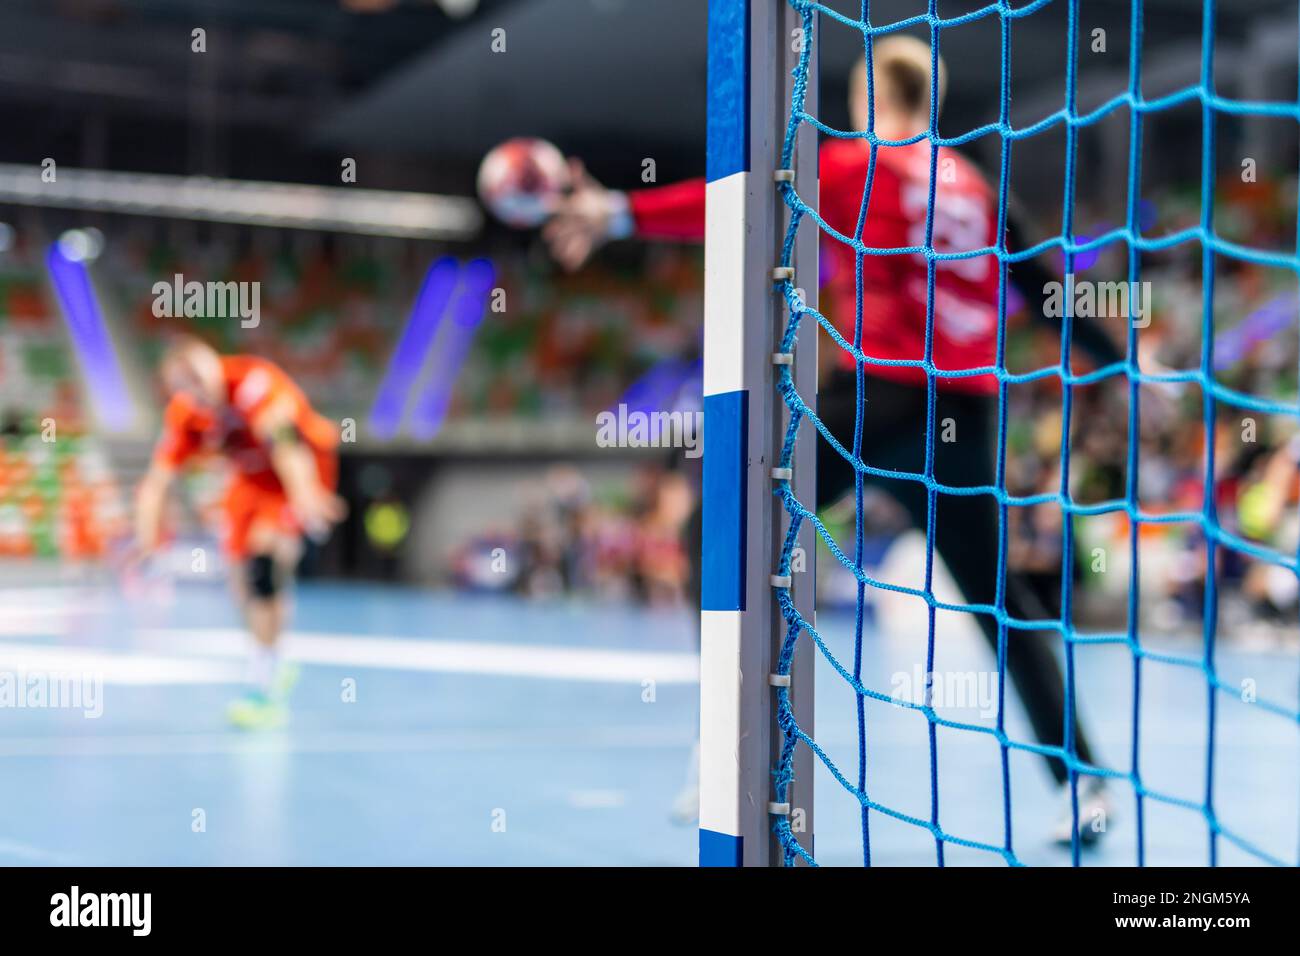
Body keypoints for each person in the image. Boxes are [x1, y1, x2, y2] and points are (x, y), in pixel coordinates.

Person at [542, 35, 1136, 845]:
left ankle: (723, 749)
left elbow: (744, 201)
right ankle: (1086, 782)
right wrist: (1132, 364)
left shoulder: (862, 166)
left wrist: (618, 210)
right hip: (964, 421)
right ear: (931, 100)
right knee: (1005, 607)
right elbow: (1048, 291)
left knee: (714, 531)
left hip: (875, 405)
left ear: (867, 102)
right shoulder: (976, 186)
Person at [134, 336, 346, 729]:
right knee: (240, 584)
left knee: (263, 567)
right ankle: (271, 655)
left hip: (296, 470)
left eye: (199, 376)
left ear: (215, 364)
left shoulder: (253, 381)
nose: (196, 388)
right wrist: (149, 544)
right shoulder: (186, 413)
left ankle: (263, 687)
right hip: (248, 484)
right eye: (185, 384)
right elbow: (157, 482)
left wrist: (304, 494)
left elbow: (284, 439)